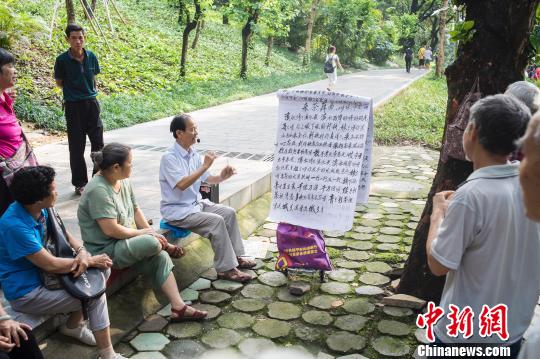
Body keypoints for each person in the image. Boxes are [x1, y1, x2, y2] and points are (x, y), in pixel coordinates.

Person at [426, 95, 540, 358]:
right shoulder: (530, 185)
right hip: (510, 332)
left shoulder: (470, 197)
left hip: (464, 337)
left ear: (472, 132)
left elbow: (438, 264)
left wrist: (438, 215)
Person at [0, 166, 125, 359]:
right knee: (95, 295)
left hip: (50, 277)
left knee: (102, 270)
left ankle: (73, 326)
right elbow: (50, 264)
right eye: (53, 189)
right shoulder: (14, 225)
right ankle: (108, 354)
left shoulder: (43, 207)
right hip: (29, 291)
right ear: (39, 199)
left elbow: (63, 234)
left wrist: (83, 253)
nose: (58, 192)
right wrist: (88, 261)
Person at [77, 143, 207, 321]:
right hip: (107, 250)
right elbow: (111, 229)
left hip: (126, 243)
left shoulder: (122, 180)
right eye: (130, 163)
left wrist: (151, 232)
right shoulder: (98, 189)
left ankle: (179, 307)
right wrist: (147, 234)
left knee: (160, 256)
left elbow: (136, 210)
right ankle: (165, 247)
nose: (132, 166)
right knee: (152, 243)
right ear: (116, 167)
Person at [159, 114, 256, 283]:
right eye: (192, 129)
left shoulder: (193, 154)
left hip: (196, 204)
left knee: (229, 213)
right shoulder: (169, 158)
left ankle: (237, 256)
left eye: (196, 128)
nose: (196, 132)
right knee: (217, 221)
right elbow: (182, 184)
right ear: (179, 133)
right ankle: (226, 269)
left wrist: (222, 176)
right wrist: (205, 165)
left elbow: (208, 179)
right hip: (179, 211)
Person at [54, 24, 104, 196]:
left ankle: (98, 178)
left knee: (98, 144)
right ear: (67, 39)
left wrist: (91, 95)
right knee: (76, 147)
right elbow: (59, 83)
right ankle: (80, 183)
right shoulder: (61, 60)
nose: (77, 41)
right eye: (74, 38)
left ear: (85, 38)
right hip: (73, 106)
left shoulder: (91, 56)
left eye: (80, 37)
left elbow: (94, 79)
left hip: (92, 103)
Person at [0, 49, 38, 216]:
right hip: (4, 178)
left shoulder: (6, 98)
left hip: (19, 174)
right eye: (9, 65)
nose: (14, 70)